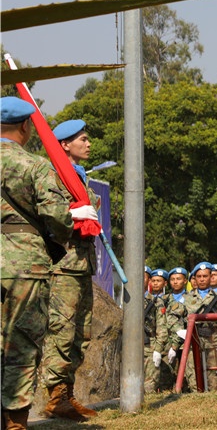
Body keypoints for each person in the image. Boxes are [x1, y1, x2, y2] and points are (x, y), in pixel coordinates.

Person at [1, 97, 75, 429]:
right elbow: (57, 217)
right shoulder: (35, 165)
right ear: (25, 126)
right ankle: (15, 423)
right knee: (21, 346)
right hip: (24, 266)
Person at [40, 119, 101, 421]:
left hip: (82, 263)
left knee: (81, 334)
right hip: (64, 264)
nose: (88, 144)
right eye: (82, 139)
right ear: (64, 144)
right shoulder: (56, 173)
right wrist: (73, 214)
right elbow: (47, 212)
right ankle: (55, 396)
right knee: (61, 332)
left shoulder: (79, 176)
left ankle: (67, 394)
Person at [183, 263, 217, 391]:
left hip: (214, 339)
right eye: (199, 276)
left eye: (205, 276)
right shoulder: (186, 298)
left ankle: (212, 397)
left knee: (214, 373)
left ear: (210, 277)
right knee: (193, 371)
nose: (202, 279)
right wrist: (181, 331)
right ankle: (196, 396)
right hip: (194, 339)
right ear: (194, 278)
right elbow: (177, 318)